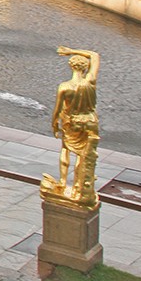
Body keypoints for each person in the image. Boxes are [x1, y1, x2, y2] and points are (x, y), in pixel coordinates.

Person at [43, 47, 101, 206]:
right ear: (85, 67)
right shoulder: (90, 80)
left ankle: (62, 181)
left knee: (66, 149)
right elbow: (95, 55)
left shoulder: (65, 87)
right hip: (90, 120)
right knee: (83, 155)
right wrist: (71, 50)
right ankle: (78, 185)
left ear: (71, 66)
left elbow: (57, 109)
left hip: (72, 121)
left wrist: (54, 124)